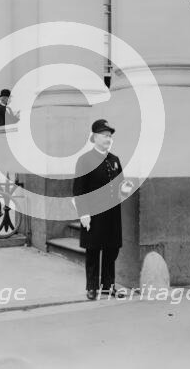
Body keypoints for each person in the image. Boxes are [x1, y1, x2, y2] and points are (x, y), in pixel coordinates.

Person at [72, 119, 132, 301]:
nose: (108, 139)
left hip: (112, 215)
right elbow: (79, 190)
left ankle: (108, 286)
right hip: (93, 214)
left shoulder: (114, 160)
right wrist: (83, 214)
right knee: (93, 251)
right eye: (105, 135)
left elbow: (121, 184)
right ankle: (92, 287)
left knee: (111, 250)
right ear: (95, 137)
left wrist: (126, 188)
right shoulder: (84, 160)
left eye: (110, 136)